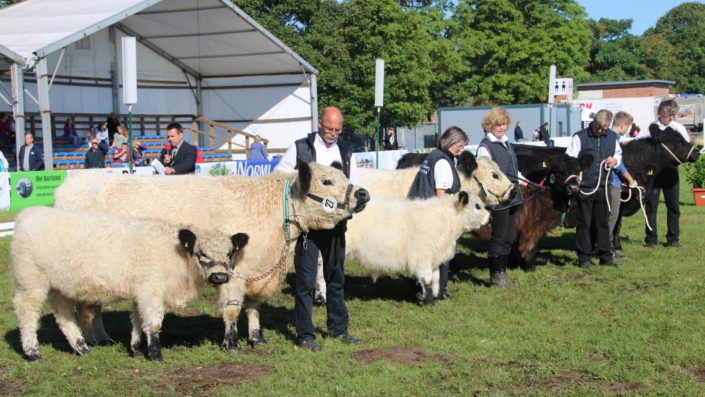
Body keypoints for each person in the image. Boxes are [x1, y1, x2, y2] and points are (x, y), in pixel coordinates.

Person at [274, 106, 361, 352]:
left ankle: (339, 329)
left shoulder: (346, 151)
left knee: (336, 278)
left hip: (335, 224)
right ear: (320, 123)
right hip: (308, 226)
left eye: (337, 129)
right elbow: (280, 175)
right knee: (305, 281)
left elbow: (352, 183)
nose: (332, 133)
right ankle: (305, 334)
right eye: (329, 128)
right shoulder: (300, 147)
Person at [407, 126, 468, 297]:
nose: (461, 150)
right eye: (460, 146)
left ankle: (421, 286)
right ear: (451, 142)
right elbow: (441, 192)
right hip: (435, 213)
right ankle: (439, 290)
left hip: (421, 208)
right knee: (441, 252)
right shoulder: (443, 162)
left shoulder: (433, 155)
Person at [566, 109, 621, 269]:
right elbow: (570, 158)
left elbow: (618, 154)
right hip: (584, 188)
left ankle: (606, 256)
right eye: (597, 127)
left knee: (602, 222)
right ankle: (584, 258)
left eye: (603, 129)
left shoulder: (611, 137)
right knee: (584, 223)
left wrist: (614, 161)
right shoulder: (580, 136)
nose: (599, 131)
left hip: (603, 187)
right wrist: (576, 175)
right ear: (594, 122)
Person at [477, 108, 524, 287]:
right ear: (490, 125)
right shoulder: (485, 147)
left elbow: (513, 169)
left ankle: (502, 274)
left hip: (513, 195)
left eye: (504, 124)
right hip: (499, 198)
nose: (502, 127)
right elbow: (484, 175)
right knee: (499, 236)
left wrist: (525, 181)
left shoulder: (506, 142)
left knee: (510, 236)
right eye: (498, 124)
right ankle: (496, 277)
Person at [634, 99, 690, 248]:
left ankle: (673, 239)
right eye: (668, 114)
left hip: (671, 171)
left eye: (672, 114)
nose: (671, 117)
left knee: (673, 206)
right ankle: (651, 239)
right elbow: (638, 144)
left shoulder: (678, 128)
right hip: (653, 173)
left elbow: (685, 148)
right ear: (661, 113)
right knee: (651, 206)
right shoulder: (649, 127)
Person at [607, 112, 638, 258]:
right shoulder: (613, 139)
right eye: (628, 127)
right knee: (612, 216)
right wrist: (630, 180)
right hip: (612, 182)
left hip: (605, 182)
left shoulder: (609, 137)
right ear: (623, 125)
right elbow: (619, 165)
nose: (628, 130)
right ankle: (606, 249)